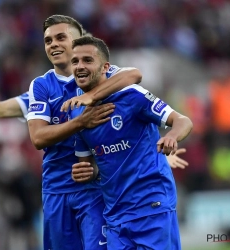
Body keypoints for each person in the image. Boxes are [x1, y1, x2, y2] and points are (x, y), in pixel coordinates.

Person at [0, 15, 188, 249]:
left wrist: (92, 96)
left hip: (94, 187)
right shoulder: (42, 87)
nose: (53, 44)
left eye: (61, 37)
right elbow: (8, 116)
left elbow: (134, 75)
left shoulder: (96, 75)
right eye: (48, 40)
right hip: (57, 187)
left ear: (78, 41)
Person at [68, 36, 193, 249]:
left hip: (151, 205)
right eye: (75, 61)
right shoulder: (77, 112)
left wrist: (171, 136)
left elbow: (183, 121)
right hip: (115, 215)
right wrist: (88, 173)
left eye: (87, 60)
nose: (80, 66)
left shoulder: (132, 96)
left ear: (105, 67)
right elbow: (91, 167)